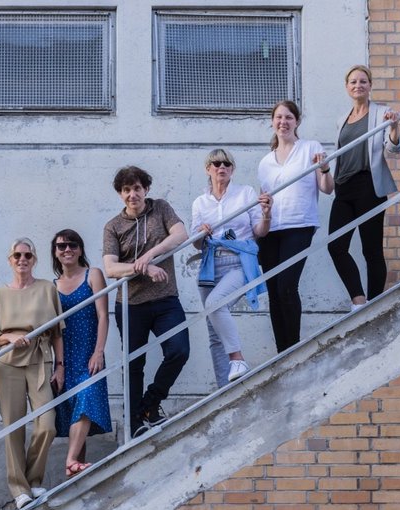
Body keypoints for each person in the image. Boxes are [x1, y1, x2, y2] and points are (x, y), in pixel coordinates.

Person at [102, 166, 191, 438]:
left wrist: (151, 255)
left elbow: (181, 235)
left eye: (137, 188)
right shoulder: (113, 227)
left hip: (165, 300)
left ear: (146, 190)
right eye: (127, 190)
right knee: (133, 365)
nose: (132, 194)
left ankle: (149, 404)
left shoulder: (161, 208)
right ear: (120, 194)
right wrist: (144, 268)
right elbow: (110, 269)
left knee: (179, 350)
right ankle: (134, 424)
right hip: (130, 306)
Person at [0, 238, 64, 510]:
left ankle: (33, 479)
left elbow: (57, 332)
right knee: (13, 427)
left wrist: (60, 364)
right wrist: (9, 336)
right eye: (17, 255)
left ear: (34, 259)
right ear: (10, 260)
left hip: (41, 361)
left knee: (47, 424)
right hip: (9, 364)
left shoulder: (46, 289)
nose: (22, 259)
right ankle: (19, 489)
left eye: (27, 255)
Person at [257, 100, 334, 353]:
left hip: (299, 225)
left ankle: (293, 349)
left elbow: (326, 188)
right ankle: (282, 351)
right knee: (273, 290)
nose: (283, 122)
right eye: (279, 118)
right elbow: (263, 197)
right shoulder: (265, 162)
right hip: (271, 231)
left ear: (297, 121)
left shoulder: (310, 148)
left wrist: (324, 168)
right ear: (272, 122)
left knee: (286, 285)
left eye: (288, 117)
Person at [191, 149, 272, 387]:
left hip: (238, 262)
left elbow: (259, 231)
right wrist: (200, 233)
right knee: (214, 332)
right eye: (216, 164)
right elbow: (195, 243)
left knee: (214, 304)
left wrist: (267, 214)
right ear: (208, 169)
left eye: (226, 164)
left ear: (232, 169)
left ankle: (238, 359)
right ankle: (224, 388)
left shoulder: (245, 193)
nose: (221, 167)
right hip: (210, 264)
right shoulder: (200, 202)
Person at [329, 66, 400, 310]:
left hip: (368, 185)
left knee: (371, 249)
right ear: (347, 87)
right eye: (353, 81)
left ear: (370, 85)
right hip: (343, 187)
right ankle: (359, 300)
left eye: (362, 81)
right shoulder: (342, 119)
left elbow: (392, 150)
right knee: (336, 246)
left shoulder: (382, 113)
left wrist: (393, 129)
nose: (357, 85)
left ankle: (374, 303)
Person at [51, 229, 112, 476]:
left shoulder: (93, 274)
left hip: (89, 354)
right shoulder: (51, 287)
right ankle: (78, 471)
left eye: (72, 245)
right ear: (54, 253)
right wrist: (59, 365)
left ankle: (70, 460)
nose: (67, 250)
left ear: (80, 249)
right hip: (66, 358)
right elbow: (54, 329)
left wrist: (99, 351)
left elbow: (103, 315)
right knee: (76, 411)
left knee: (86, 399)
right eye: (61, 246)